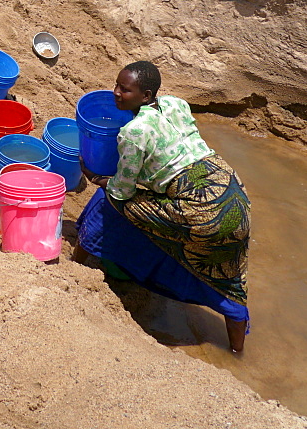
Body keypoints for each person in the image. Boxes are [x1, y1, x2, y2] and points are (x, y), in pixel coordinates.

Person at [74, 61, 251, 353]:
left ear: (145, 95)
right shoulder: (175, 103)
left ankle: (78, 259)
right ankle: (237, 351)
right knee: (229, 275)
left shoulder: (133, 132)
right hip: (231, 190)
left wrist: (98, 179)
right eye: (116, 85)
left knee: (109, 203)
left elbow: (122, 190)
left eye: (125, 90)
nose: (116, 93)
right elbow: (173, 152)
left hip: (200, 210)